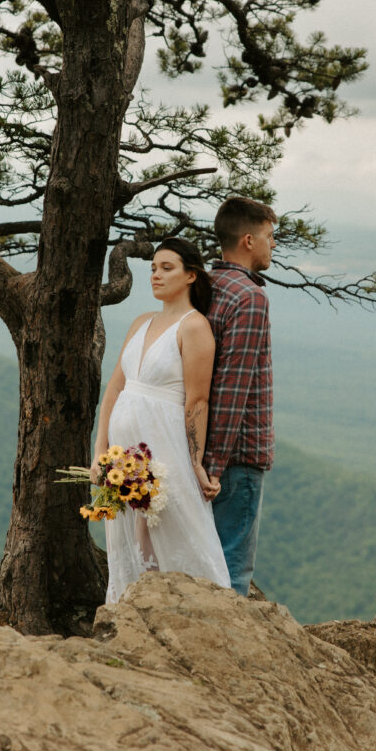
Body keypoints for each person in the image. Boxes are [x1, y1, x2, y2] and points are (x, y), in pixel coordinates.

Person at [92, 238, 230, 602]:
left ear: (190, 276)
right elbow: (115, 388)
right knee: (131, 536)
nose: (156, 275)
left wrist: (196, 462)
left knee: (176, 528)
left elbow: (198, 400)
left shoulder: (194, 326)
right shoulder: (141, 321)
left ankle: (195, 609)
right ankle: (132, 607)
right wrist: (100, 449)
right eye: (153, 267)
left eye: (167, 268)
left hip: (165, 446)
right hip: (124, 457)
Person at [205, 196, 277, 596]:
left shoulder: (205, 285)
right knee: (232, 569)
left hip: (203, 449)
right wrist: (215, 465)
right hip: (238, 455)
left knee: (203, 556)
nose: (273, 245)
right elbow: (233, 387)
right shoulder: (250, 297)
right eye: (269, 236)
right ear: (248, 240)